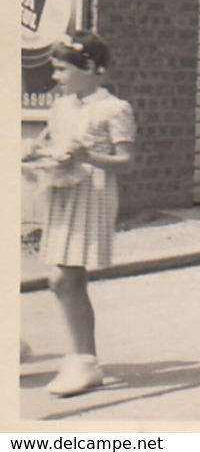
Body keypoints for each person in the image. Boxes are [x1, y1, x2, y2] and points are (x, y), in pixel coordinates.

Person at [23, 31, 135, 397]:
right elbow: (48, 141)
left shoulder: (114, 109)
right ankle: (82, 359)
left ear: (88, 67)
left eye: (60, 69)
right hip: (61, 191)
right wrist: (35, 152)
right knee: (62, 278)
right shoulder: (62, 106)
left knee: (64, 278)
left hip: (91, 194)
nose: (55, 77)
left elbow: (125, 161)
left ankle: (84, 361)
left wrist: (85, 156)